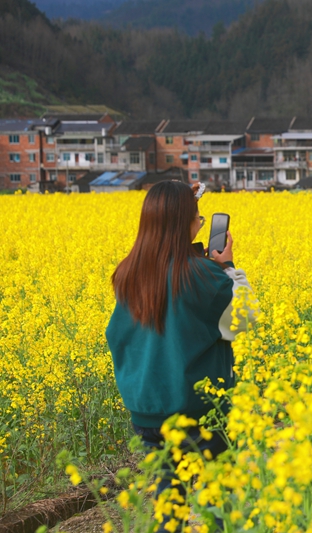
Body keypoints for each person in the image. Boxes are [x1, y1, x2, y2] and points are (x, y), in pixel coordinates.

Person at [105, 180, 257, 532]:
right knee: (218, 502)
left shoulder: (128, 273)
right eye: (197, 218)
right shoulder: (202, 274)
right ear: (183, 224)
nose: (201, 223)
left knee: (168, 502)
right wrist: (229, 268)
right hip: (196, 409)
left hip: (148, 412)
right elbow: (244, 320)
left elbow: (119, 336)